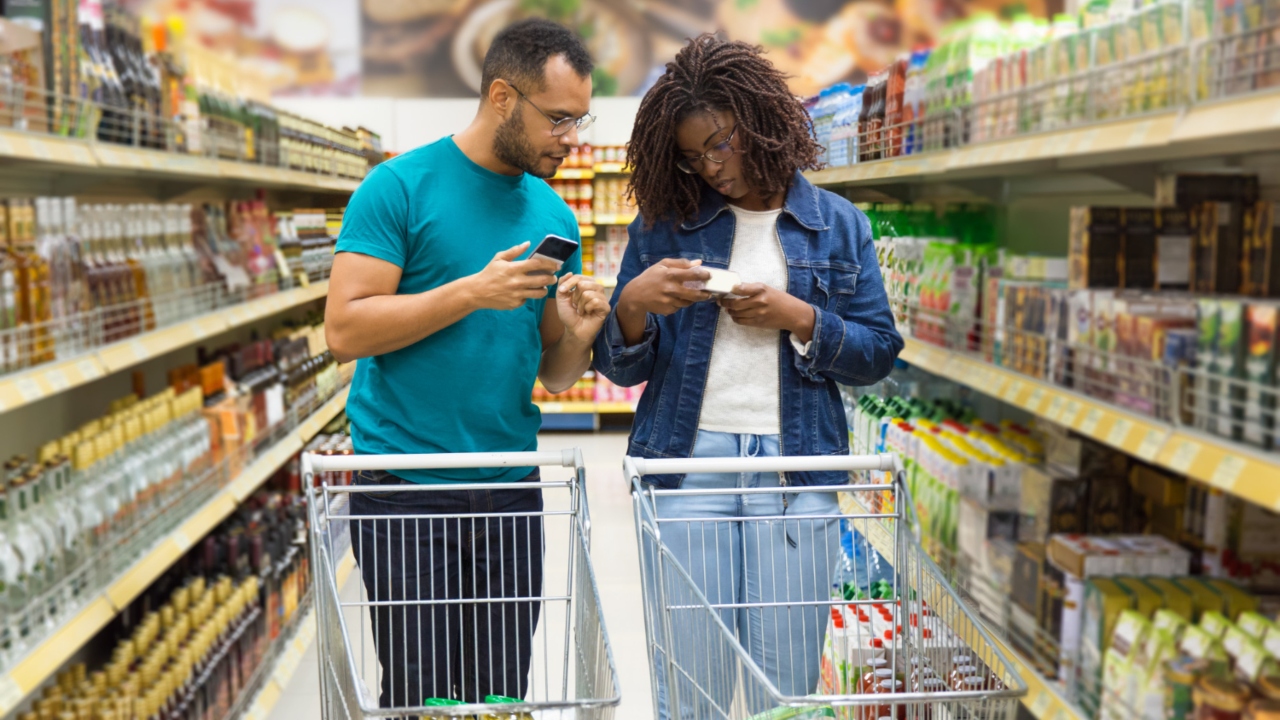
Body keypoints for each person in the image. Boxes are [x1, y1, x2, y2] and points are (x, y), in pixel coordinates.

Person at [593, 35, 903, 717]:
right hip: (686, 465)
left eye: (720, 143)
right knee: (691, 680)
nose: (710, 166)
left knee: (784, 689)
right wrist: (635, 304)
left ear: (761, 122)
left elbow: (879, 351)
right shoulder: (665, 226)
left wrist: (799, 317)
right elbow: (618, 363)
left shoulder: (838, 225)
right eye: (692, 153)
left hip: (797, 470)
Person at [324, 19, 608, 708]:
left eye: (582, 118)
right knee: (420, 694)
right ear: (504, 97)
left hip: (511, 489)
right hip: (405, 488)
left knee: (501, 694)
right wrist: (469, 293)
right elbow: (344, 329)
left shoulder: (552, 214)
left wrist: (577, 333)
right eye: (560, 119)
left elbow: (556, 374)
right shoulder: (398, 187)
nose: (572, 138)